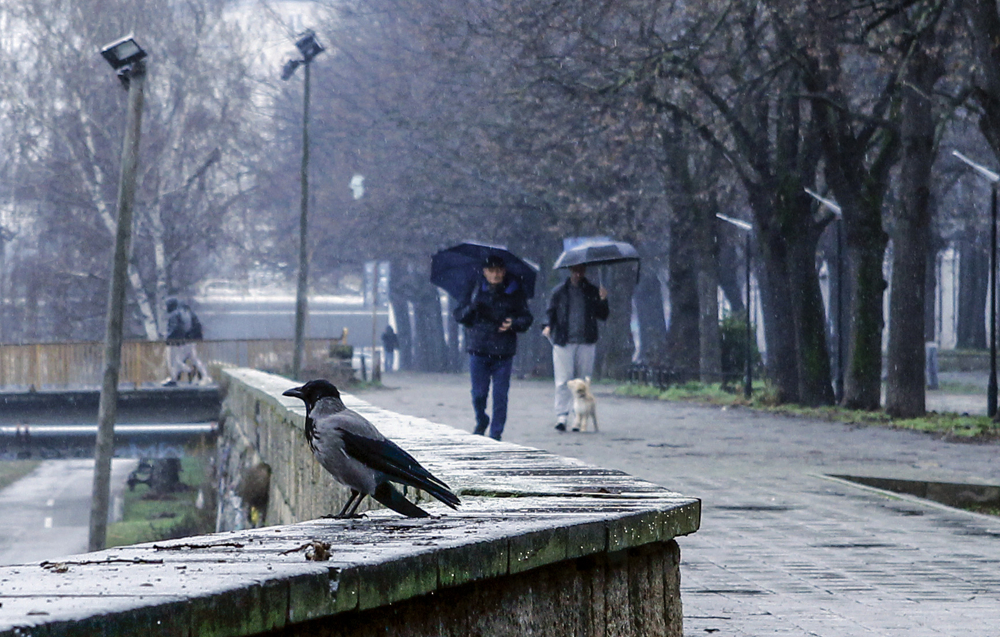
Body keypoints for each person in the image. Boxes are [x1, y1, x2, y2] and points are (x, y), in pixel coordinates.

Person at [453, 255, 533, 440]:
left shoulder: (515, 290)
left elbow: (526, 318)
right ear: (485, 272)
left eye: (499, 270)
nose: (496, 274)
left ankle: (496, 433)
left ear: (504, 271)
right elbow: (460, 316)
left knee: (500, 396)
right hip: (478, 348)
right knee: (478, 394)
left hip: (503, 351)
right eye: (492, 271)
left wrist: (513, 324)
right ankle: (481, 419)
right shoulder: (473, 289)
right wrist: (473, 307)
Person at [541, 264, 609, 431]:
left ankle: (579, 418)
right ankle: (562, 415)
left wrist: (603, 299)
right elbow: (550, 312)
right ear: (570, 271)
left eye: (581, 270)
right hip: (564, 341)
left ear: (585, 271)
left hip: (586, 341)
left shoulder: (592, 291)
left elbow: (603, 315)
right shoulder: (559, 292)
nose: (578, 273)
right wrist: (547, 326)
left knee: (583, 381)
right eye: (575, 270)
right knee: (563, 380)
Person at [163, 297, 211, 386]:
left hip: (183, 342)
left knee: (177, 360)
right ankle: (204, 376)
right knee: (193, 359)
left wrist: (168, 339)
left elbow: (175, 329)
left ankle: (186, 372)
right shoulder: (187, 312)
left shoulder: (175, 314)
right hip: (190, 340)